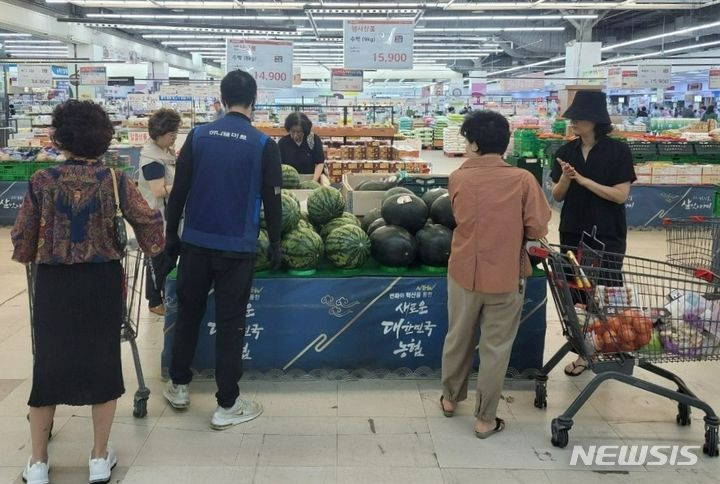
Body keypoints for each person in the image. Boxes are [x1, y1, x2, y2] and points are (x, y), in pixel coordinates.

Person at [11, 100, 164, 484]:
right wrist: (157, 247)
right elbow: (148, 223)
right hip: (101, 283)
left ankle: (39, 462)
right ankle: (98, 459)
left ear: (60, 137)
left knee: (47, 366)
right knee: (102, 363)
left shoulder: (42, 181)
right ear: (103, 138)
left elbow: (22, 238)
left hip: (54, 284)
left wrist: (34, 249)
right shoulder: (115, 180)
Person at [164, 70, 283, 430]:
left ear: (220, 97)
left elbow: (178, 192)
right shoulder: (264, 145)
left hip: (196, 244)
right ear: (255, 99)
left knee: (189, 315)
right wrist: (275, 242)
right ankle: (226, 404)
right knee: (231, 325)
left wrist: (173, 236)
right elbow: (273, 201)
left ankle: (180, 386)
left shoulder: (197, 137)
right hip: (238, 248)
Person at [440, 111, 551, 439]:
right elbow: (536, 226)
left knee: (458, 336)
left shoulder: (458, 177)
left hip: (463, 272)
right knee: (495, 347)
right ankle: (485, 419)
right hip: (505, 274)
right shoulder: (522, 180)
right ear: (505, 143)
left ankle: (449, 398)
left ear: (473, 143)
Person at [550, 91, 636, 377]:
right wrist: (565, 177)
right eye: (572, 117)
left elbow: (620, 195)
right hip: (573, 231)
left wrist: (584, 181)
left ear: (596, 120)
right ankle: (584, 353)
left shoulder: (618, 152)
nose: (573, 121)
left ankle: (613, 345)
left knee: (608, 292)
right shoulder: (565, 153)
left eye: (579, 117)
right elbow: (557, 196)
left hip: (607, 233)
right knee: (578, 296)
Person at [138, 108, 181, 316]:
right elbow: (157, 190)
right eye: (171, 135)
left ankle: (165, 295)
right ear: (159, 133)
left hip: (168, 215)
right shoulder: (152, 159)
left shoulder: (164, 152)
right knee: (158, 260)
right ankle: (155, 302)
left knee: (169, 256)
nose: (174, 139)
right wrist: (183, 185)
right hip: (157, 217)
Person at [278, 112, 326, 183]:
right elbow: (279, 165)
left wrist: (313, 182)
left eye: (299, 132)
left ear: (305, 130)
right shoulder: (283, 143)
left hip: (311, 179)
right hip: (289, 183)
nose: (295, 135)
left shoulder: (313, 139)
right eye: (292, 131)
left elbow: (320, 162)